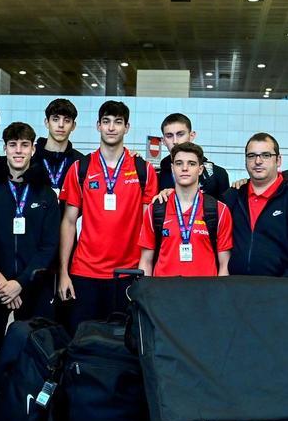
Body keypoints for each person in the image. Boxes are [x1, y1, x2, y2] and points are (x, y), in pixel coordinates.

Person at [0, 122, 60, 411]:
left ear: (33, 149)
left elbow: (49, 246)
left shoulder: (46, 195)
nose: (18, 151)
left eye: (24, 145)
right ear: (5, 149)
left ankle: (28, 420)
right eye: (12, 145)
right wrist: (2, 283)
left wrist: (19, 283)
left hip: (32, 287)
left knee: (34, 356)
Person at [58, 100, 157, 331]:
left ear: (127, 127)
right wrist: (63, 273)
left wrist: (146, 275)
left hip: (128, 273)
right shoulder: (80, 168)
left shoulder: (144, 170)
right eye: (106, 121)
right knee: (82, 340)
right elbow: (69, 222)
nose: (111, 127)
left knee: (125, 343)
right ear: (98, 126)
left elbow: (148, 227)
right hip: (85, 272)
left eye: (118, 122)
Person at [222, 133, 288, 277]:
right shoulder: (232, 197)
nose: (258, 161)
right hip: (235, 286)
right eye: (251, 156)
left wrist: (286, 286)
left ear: (278, 160)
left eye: (266, 155)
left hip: (280, 287)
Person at [139, 142, 233, 277]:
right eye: (179, 163)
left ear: (200, 169)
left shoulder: (219, 210)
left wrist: (218, 291)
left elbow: (225, 264)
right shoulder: (155, 209)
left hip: (205, 289)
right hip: (163, 289)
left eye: (191, 164)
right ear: (172, 168)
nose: (184, 168)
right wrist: (145, 289)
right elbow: (146, 261)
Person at [157, 113, 229, 198]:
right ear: (163, 141)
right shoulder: (156, 176)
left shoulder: (218, 174)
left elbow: (225, 206)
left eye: (180, 134)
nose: (175, 141)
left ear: (191, 136)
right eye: (169, 136)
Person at [33, 99, 85, 198]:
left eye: (67, 120)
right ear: (46, 122)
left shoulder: (80, 162)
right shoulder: (31, 157)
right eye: (55, 119)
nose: (61, 125)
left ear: (73, 126)